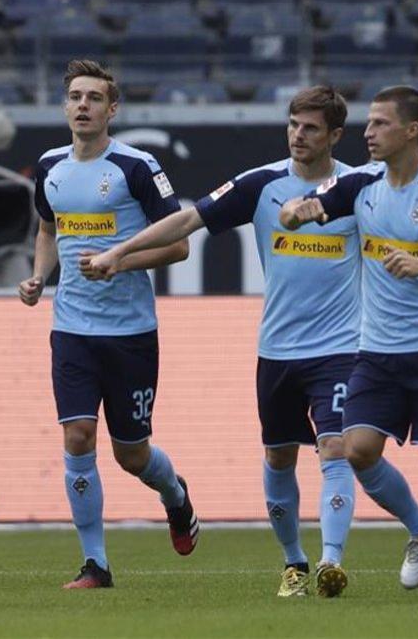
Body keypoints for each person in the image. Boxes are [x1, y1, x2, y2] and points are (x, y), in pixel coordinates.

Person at [83, 86, 360, 598]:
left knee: (336, 449)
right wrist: (121, 252)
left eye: (312, 128)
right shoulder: (262, 185)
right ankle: (294, 563)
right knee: (279, 458)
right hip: (277, 349)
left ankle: (330, 562)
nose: (299, 135)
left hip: (341, 347)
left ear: (336, 136)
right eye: (294, 124)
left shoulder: (357, 189)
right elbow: (188, 219)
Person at [279, 86, 418, 603]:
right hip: (375, 350)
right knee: (357, 450)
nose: (368, 133)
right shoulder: (361, 183)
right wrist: (295, 211)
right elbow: (311, 206)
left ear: (411, 130)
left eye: (379, 124)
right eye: (369, 123)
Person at [18, 59, 197, 589]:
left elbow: (180, 244)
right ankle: (95, 564)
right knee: (78, 436)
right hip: (71, 328)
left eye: (94, 98)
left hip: (131, 332)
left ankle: (176, 496)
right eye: (74, 96)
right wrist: (37, 277)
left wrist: (120, 260)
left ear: (112, 109)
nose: (82, 106)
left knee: (131, 453)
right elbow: (48, 231)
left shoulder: (137, 168)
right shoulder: (50, 166)